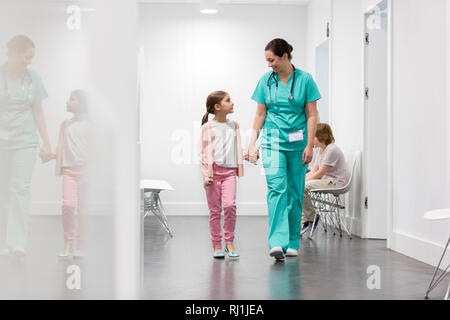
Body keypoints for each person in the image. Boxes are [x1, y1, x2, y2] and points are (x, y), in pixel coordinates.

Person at [247, 38, 321, 261]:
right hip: (271, 141)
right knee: (276, 188)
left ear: (285, 57)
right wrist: (252, 142)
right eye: (267, 60)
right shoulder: (265, 80)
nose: (269, 64)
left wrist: (309, 145)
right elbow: (260, 114)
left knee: (295, 191)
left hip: (298, 144)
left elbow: (312, 115)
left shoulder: (306, 80)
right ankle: (277, 242)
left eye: (272, 60)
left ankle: (291, 241)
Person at [0, 35, 52, 257]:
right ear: (12, 53)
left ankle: (17, 242)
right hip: (2, 141)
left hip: (26, 141)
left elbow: (38, 113)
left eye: (31, 57)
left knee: (19, 189)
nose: (29, 62)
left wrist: (47, 145)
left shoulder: (33, 78)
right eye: (26, 57)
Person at [199, 91, 244, 259]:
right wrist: (206, 175)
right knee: (215, 211)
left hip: (230, 172)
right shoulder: (207, 127)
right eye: (228, 101)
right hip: (213, 174)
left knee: (230, 206)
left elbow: (236, 147)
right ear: (218, 107)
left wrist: (246, 155)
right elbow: (203, 153)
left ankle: (229, 242)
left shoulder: (235, 125)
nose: (232, 103)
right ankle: (217, 245)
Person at [51, 90, 89, 258]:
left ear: (81, 104)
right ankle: (68, 242)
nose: (67, 102)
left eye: (72, 99)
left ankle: (80, 245)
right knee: (68, 205)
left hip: (86, 171)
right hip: (69, 171)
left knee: (83, 209)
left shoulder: (91, 125)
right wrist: (49, 154)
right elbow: (60, 149)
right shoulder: (65, 125)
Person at [301, 123, 349, 236]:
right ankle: (308, 218)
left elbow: (320, 173)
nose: (310, 140)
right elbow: (314, 171)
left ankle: (310, 219)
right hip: (326, 180)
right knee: (300, 185)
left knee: (303, 187)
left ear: (321, 136)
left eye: (313, 137)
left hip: (335, 183)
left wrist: (302, 183)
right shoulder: (321, 150)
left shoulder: (331, 150)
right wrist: (300, 180)